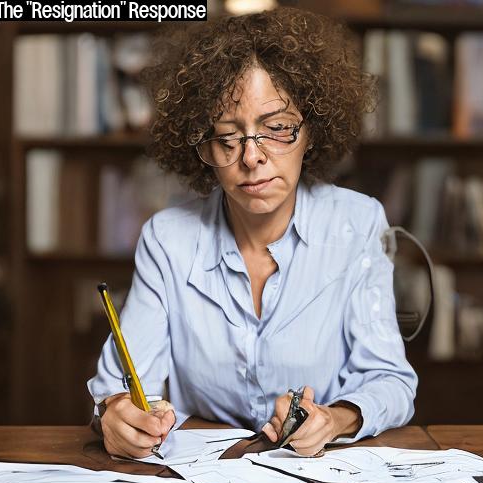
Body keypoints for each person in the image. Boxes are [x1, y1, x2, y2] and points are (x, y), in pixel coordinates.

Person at [88, 8, 417, 458]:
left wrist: (333, 420)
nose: (252, 158)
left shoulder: (357, 225)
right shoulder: (167, 239)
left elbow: (390, 381)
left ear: (310, 131)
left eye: (277, 129)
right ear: (202, 144)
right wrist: (118, 416)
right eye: (227, 137)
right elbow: (119, 388)